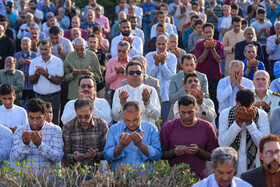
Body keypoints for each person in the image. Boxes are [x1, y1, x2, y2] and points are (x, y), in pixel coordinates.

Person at [160, 94, 219, 179]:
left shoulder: (207, 127)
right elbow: (161, 155)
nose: (186, 116)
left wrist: (199, 151)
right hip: (174, 180)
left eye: (190, 112)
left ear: (196, 109)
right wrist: (174, 152)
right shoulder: (168, 127)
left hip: (199, 180)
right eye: (183, 112)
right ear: (178, 110)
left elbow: (215, 156)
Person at [218, 89, 270, 177]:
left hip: (253, 170)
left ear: (253, 103)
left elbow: (264, 145)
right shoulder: (225, 114)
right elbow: (223, 143)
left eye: (248, 108)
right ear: (235, 100)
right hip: (230, 170)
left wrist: (250, 124)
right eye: (241, 107)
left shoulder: (261, 115)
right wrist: (237, 124)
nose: (245, 111)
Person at [104, 101, 162, 171]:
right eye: (127, 120)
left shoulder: (151, 128)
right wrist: (121, 146)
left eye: (135, 120)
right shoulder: (114, 129)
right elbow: (107, 156)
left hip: (145, 178)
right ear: (123, 116)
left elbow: (157, 155)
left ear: (141, 114)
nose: (131, 124)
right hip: (120, 178)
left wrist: (141, 145)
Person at [10, 98, 64, 171]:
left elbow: (58, 157)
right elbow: (14, 159)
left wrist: (40, 145)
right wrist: (25, 145)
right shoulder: (20, 131)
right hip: (27, 179)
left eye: (38, 118)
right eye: (31, 118)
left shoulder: (55, 130)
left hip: (49, 180)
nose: (34, 122)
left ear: (45, 116)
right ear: (27, 115)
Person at [63, 98, 108, 167]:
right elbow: (65, 154)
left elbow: (106, 152)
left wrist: (96, 155)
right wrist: (74, 157)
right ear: (76, 112)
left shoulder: (102, 125)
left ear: (92, 111)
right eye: (80, 116)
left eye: (87, 116)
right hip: (75, 169)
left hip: (96, 169)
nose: (83, 120)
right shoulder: (68, 127)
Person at [29, 40, 64, 125]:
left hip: (53, 97)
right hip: (38, 96)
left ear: (51, 49)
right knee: (37, 122)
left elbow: (59, 81)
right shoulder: (34, 62)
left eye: (46, 49)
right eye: (41, 49)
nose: (43, 52)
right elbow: (31, 81)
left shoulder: (58, 61)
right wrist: (37, 75)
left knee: (55, 122)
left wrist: (46, 75)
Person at [145, 35, 177, 125]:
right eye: (159, 44)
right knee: (152, 122)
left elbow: (169, 77)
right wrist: (156, 63)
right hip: (152, 94)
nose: (161, 47)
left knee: (166, 122)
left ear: (167, 44)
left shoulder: (172, 57)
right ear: (155, 44)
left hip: (166, 95)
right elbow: (148, 77)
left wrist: (163, 63)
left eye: (163, 44)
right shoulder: (149, 56)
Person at [195, 23, 224, 113]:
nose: (208, 34)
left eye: (210, 32)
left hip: (215, 77)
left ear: (213, 32)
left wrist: (212, 48)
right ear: (203, 33)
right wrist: (207, 48)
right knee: (202, 99)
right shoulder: (199, 44)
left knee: (215, 99)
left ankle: (216, 119)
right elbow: (200, 60)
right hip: (202, 77)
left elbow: (219, 59)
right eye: (206, 32)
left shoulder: (218, 44)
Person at [14, 37, 37, 102]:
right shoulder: (16, 55)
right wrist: (18, 64)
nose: (25, 46)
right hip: (21, 85)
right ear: (20, 45)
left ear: (30, 45)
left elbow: (39, 69)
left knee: (32, 103)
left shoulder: (35, 55)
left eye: (27, 44)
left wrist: (31, 64)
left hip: (32, 85)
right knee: (21, 103)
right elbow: (13, 71)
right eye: (23, 44)